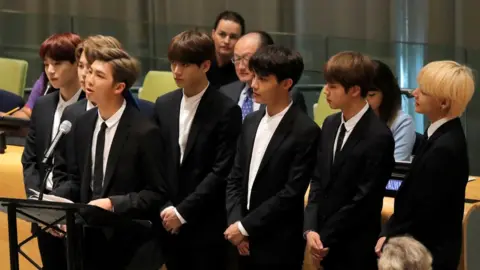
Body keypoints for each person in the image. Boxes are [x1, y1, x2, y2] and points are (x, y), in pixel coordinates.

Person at [53, 47, 167, 270]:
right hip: (87, 240)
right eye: (90, 72)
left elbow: (157, 193)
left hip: (128, 243)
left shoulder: (144, 131)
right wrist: (56, 206)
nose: (89, 79)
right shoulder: (83, 123)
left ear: (119, 87)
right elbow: (76, 178)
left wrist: (113, 203)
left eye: (99, 75)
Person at [225, 45, 320, 270]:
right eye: (255, 76)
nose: (254, 84)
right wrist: (236, 223)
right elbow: (235, 176)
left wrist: (245, 227)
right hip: (241, 238)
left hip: (279, 243)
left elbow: (291, 192)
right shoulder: (250, 121)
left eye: (263, 79)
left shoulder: (306, 130)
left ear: (287, 83)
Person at [153, 30, 242, 270]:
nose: (176, 71)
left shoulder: (226, 109)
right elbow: (156, 161)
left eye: (184, 64)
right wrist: (166, 207)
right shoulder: (164, 104)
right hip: (166, 217)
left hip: (205, 222)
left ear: (205, 65)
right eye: (173, 63)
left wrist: (182, 212)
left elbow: (221, 170)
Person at [376, 61, 474, 270]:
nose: (414, 93)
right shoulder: (440, 135)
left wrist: (388, 234)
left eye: (424, 91)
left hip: (427, 255)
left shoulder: (445, 147)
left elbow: (422, 209)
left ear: (444, 102)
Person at [304, 51, 395, 270]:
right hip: (321, 238)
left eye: (333, 86)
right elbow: (317, 180)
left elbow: (364, 198)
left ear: (354, 90)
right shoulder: (330, 124)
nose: (326, 91)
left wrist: (326, 235)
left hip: (355, 245)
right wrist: (310, 229)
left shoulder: (378, 135)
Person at [21, 32, 82, 270]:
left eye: (57, 63)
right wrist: (38, 203)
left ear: (78, 64)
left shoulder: (91, 106)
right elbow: (30, 160)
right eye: (46, 64)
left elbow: (82, 168)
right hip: (42, 210)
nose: (50, 71)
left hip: (74, 210)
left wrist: (56, 205)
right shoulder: (44, 105)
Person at [220, 31, 307, 118]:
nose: (241, 66)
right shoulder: (225, 92)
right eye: (237, 58)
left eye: (247, 58)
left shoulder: (287, 94)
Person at [367, 59, 416, 161]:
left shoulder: (402, 122)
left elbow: (396, 165)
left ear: (385, 93)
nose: (365, 100)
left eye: (371, 95)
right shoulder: (346, 118)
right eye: (360, 94)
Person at [208, 10, 245, 87]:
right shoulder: (198, 63)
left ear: (241, 39)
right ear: (213, 34)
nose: (226, 41)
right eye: (222, 34)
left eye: (233, 37)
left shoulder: (243, 70)